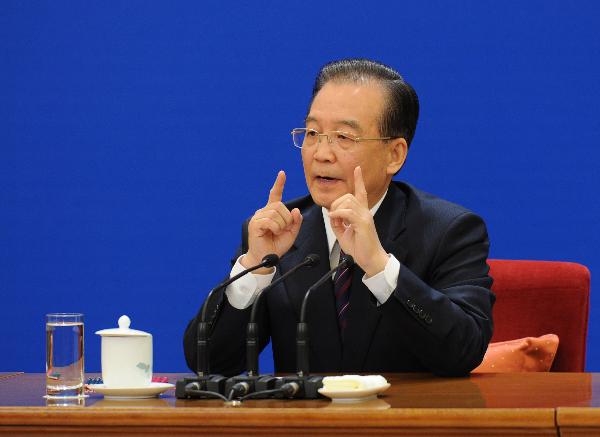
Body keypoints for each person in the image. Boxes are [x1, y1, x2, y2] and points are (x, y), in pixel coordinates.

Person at [184, 58, 495, 377]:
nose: (321, 154)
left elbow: (464, 351)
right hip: (305, 411)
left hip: (404, 410)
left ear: (394, 155)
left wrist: (379, 266)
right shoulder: (282, 232)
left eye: (344, 137)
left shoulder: (449, 231)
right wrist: (254, 267)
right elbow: (208, 362)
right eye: (312, 133)